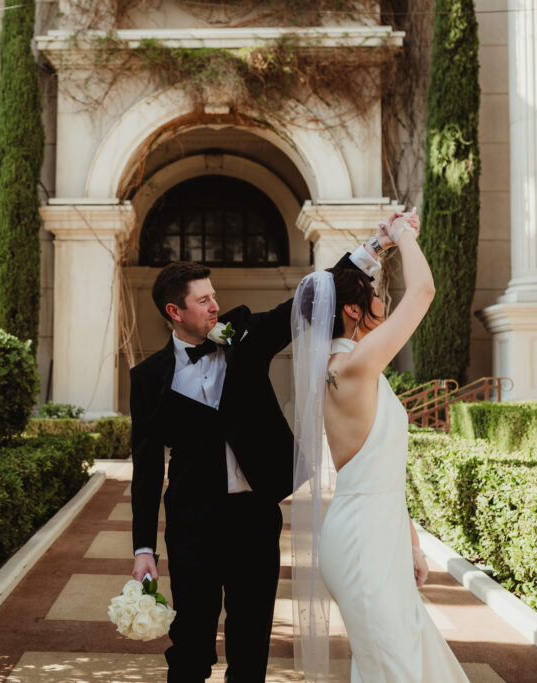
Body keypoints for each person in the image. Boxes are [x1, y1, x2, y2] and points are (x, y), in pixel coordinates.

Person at [129, 228, 393, 683]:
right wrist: (143, 548)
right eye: (202, 300)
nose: (214, 305)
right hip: (192, 524)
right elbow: (147, 468)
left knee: (250, 645)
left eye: (214, 296)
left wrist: (372, 249)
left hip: (254, 517)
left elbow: (306, 302)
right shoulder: (147, 378)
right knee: (191, 642)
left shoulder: (243, 336)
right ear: (175, 312)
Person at [291, 211, 469, 682]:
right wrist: (406, 236)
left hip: (379, 532)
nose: (381, 299)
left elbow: (381, 470)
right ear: (352, 310)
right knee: (394, 665)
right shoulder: (353, 368)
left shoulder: (351, 366)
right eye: (373, 293)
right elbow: (424, 292)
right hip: (362, 543)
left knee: (405, 657)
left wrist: (412, 545)